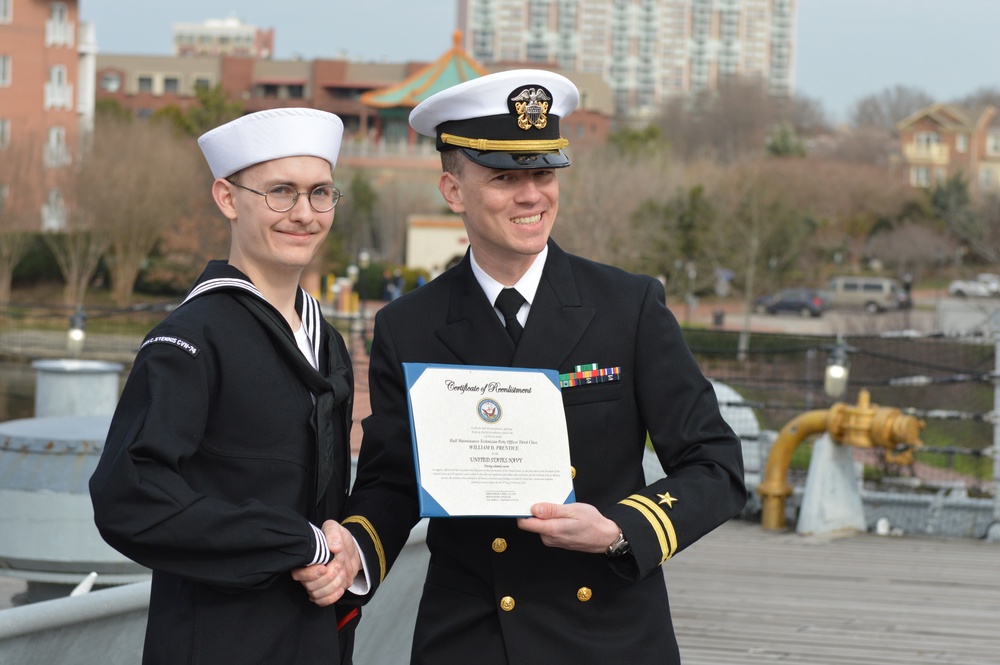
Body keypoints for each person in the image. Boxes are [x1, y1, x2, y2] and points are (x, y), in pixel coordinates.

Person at [306, 69, 747, 664]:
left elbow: (715, 466)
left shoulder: (628, 306)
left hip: (607, 635)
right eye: (505, 177)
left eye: (543, 173)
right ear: (453, 190)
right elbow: (393, 480)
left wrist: (619, 529)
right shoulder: (409, 325)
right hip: (472, 636)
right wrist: (357, 544)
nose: (531, 195)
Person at [89, 107, 362, 665]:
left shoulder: (326, 340)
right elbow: (128, 495)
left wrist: (345, 548)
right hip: (216, 639)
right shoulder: (192, 337)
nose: (304, 214)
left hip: (315, 639)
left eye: (320, 193)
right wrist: (295, 541)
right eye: (280, 192)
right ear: (227, 198)